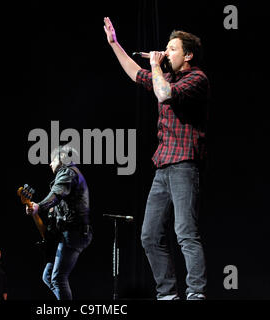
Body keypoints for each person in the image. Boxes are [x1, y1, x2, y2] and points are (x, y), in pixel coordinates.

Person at [104, 17, 208, 300]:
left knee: (185, 233)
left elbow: (163, 94)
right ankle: (167, 295)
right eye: (165, 48)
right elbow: (134, 72)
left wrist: (154, 65)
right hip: (162, 166)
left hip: (184, 164)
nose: (165, 53)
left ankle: (196, 294)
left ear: (187, 55)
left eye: (172, 49)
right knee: (149, 236)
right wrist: (115, 44)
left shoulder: (196, 78)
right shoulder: (167, 76)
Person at [26, 144, 93, 300]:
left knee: (57, 278)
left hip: (74, 233)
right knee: (48, 277)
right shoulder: (69, 175)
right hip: (70, 233)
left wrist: (38, 206)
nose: (49, 164)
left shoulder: (68, 172)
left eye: (52, 160)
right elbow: (58, 206)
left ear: (62, 158)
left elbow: (56, 194)